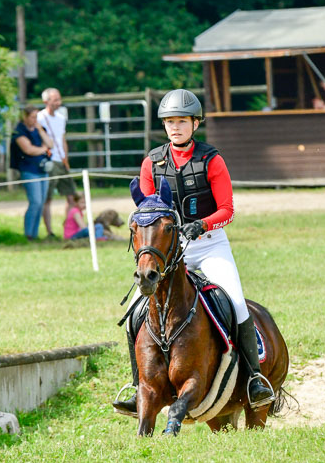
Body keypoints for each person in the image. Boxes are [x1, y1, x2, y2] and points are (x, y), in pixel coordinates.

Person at [113, 88, 275, 415]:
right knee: (134, 312)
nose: (175, 127)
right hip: (169, 251)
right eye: (170, 122)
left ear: (195, 124)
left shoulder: (211, 160)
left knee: (235, 301)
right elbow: (146, 211)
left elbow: (227, 209)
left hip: (209, 243)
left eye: (182, 122)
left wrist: (201, 225)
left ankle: (254, 379)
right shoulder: (151, 162)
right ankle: (136, 386)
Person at [37, 88, 77, 240]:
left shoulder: (61, 118)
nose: (58, 103)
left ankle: (69, 229)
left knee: (71, 196)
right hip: (49, 160)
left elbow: (62, 139)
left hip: (61, 160)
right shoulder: (40, 118)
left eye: (59, 99)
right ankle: (49, 232)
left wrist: (66, 158)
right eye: (55, 100)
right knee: (48, 198)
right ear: (46, 101)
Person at [13, 105, 53, 241]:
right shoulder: (19, 131)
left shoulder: (40, 129)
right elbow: (28, 150)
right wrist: (43, 149)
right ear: (25, 117)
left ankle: (34, 234)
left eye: (36, 117)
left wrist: (40, 131)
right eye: (32, 117)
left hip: (42, 170)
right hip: (29, 170)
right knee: (35, 202)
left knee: (41, 203)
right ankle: (28, 234)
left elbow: (50, 144)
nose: (35, 120)